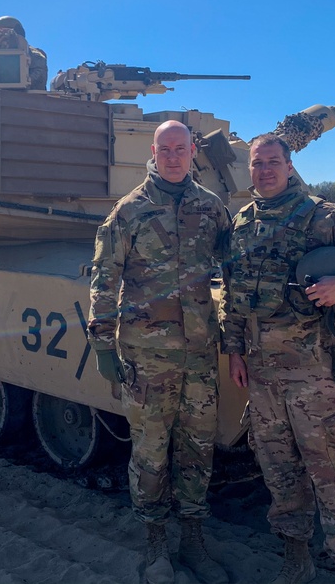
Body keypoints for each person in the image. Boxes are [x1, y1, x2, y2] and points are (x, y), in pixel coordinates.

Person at [221, 133, 335, 584]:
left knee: (332, 470)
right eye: (258, 164)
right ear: (250, 169)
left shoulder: (323, 216)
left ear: (290, 165)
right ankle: (296, 558)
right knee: (278, 471)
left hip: (315, 373)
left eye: (274, 162)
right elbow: (235, 299)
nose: (266, 170)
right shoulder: (241, 224)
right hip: (261, 375)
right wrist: (234, 350)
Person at [88, 120, 232, 584]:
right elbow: (104, 279)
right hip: (147, 356)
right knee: (150, 452)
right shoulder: (129, 211)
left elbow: (235, 272)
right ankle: (155, 547)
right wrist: (102, 344)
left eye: (181, 149)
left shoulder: (211, 209)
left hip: (199, 354)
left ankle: (192, 539)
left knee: (198, 447)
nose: (173, 156)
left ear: (193, 153)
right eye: (165, 149)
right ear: (154, 151)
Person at [0, 15, 49, 90]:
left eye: (6, 33)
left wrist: (25, 81)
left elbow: (39, 77)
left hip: (27, 97)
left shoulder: (35, 55)